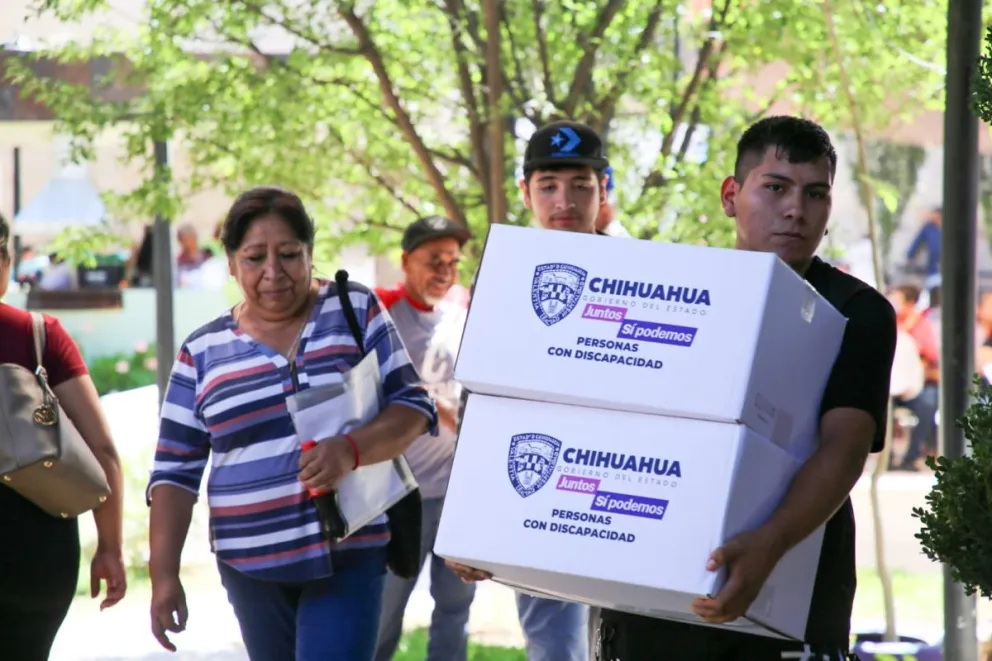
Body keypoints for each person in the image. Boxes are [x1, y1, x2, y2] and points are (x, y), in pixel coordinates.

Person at [595, 116, 897, 660]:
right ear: (731, 196)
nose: (795, 210)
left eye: (815, 194)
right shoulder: (677, 297)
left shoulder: (858, 313)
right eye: (775, 187)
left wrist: (773, 542)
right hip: (656, 585)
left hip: (793, 588)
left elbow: (846, 448)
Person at [146, 186, 438, 661]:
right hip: (249, 562)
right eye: (254, 257)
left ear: (310, 252)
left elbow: (412, 406)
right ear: (231, 263)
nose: (272, 273)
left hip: (349, 550)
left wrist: (351, 449)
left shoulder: (353, 310)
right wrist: (163, 576)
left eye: (288, 254)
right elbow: (174, 473)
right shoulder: (201, 352)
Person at [446, 119, 621, 661]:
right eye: (547, 185)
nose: (563, 200)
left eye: (580, 184)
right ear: (525, 193)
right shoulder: (504, 278)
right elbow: (480, 405)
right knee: (555, 651)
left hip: (620, 495)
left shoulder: (644, 277)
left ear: (604, 188)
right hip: (541, 498)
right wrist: (471, 524)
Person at [0, 214, 127, 660]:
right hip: (38, 551)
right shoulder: (39, 336)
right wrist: (110, 547)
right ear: (6, 265)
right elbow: (102, 448)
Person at [373, 216, 477, 661]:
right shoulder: (382, 313)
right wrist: (438, 411)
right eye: (434, 260)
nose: (445, 271)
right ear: (405, 261)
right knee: (384, 610)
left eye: (453, 262)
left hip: (458, 493)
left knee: (455, 608)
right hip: (399, 494)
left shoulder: (465, 311)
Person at [887, 284, 938, 470]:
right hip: (890, 386)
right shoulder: (889, 322)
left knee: (929, 402)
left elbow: (931, 357)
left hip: (917, 386)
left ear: (909, 303)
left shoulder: (922, 326)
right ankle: (888, 457)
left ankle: (913, 455)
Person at [905, 206, 942, 279]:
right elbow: (917, 241)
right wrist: (910, 256)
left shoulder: (947, 227)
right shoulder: (928, 228)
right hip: (933, 266)